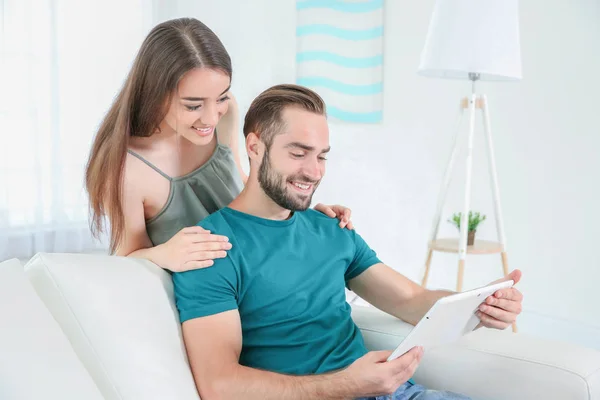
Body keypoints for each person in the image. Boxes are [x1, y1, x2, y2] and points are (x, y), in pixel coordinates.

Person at [173, 84, 524, 400]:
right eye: (298, 153)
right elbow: (219, 385)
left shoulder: (331, 228)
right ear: (255, 147)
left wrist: (481, 304)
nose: (314, 172)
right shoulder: (210, 250)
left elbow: (414, 300)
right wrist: (349, 384)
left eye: (322, 155)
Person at [84, 18, 353, 272]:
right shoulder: (128, 169)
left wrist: (302, 215)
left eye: (222, 97)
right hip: (206, 296)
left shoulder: (226, 114)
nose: (211, 117)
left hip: (257, 266)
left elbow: (244, 186)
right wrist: (164, 253)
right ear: (155, 95)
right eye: (194, 105)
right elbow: (125, 260)